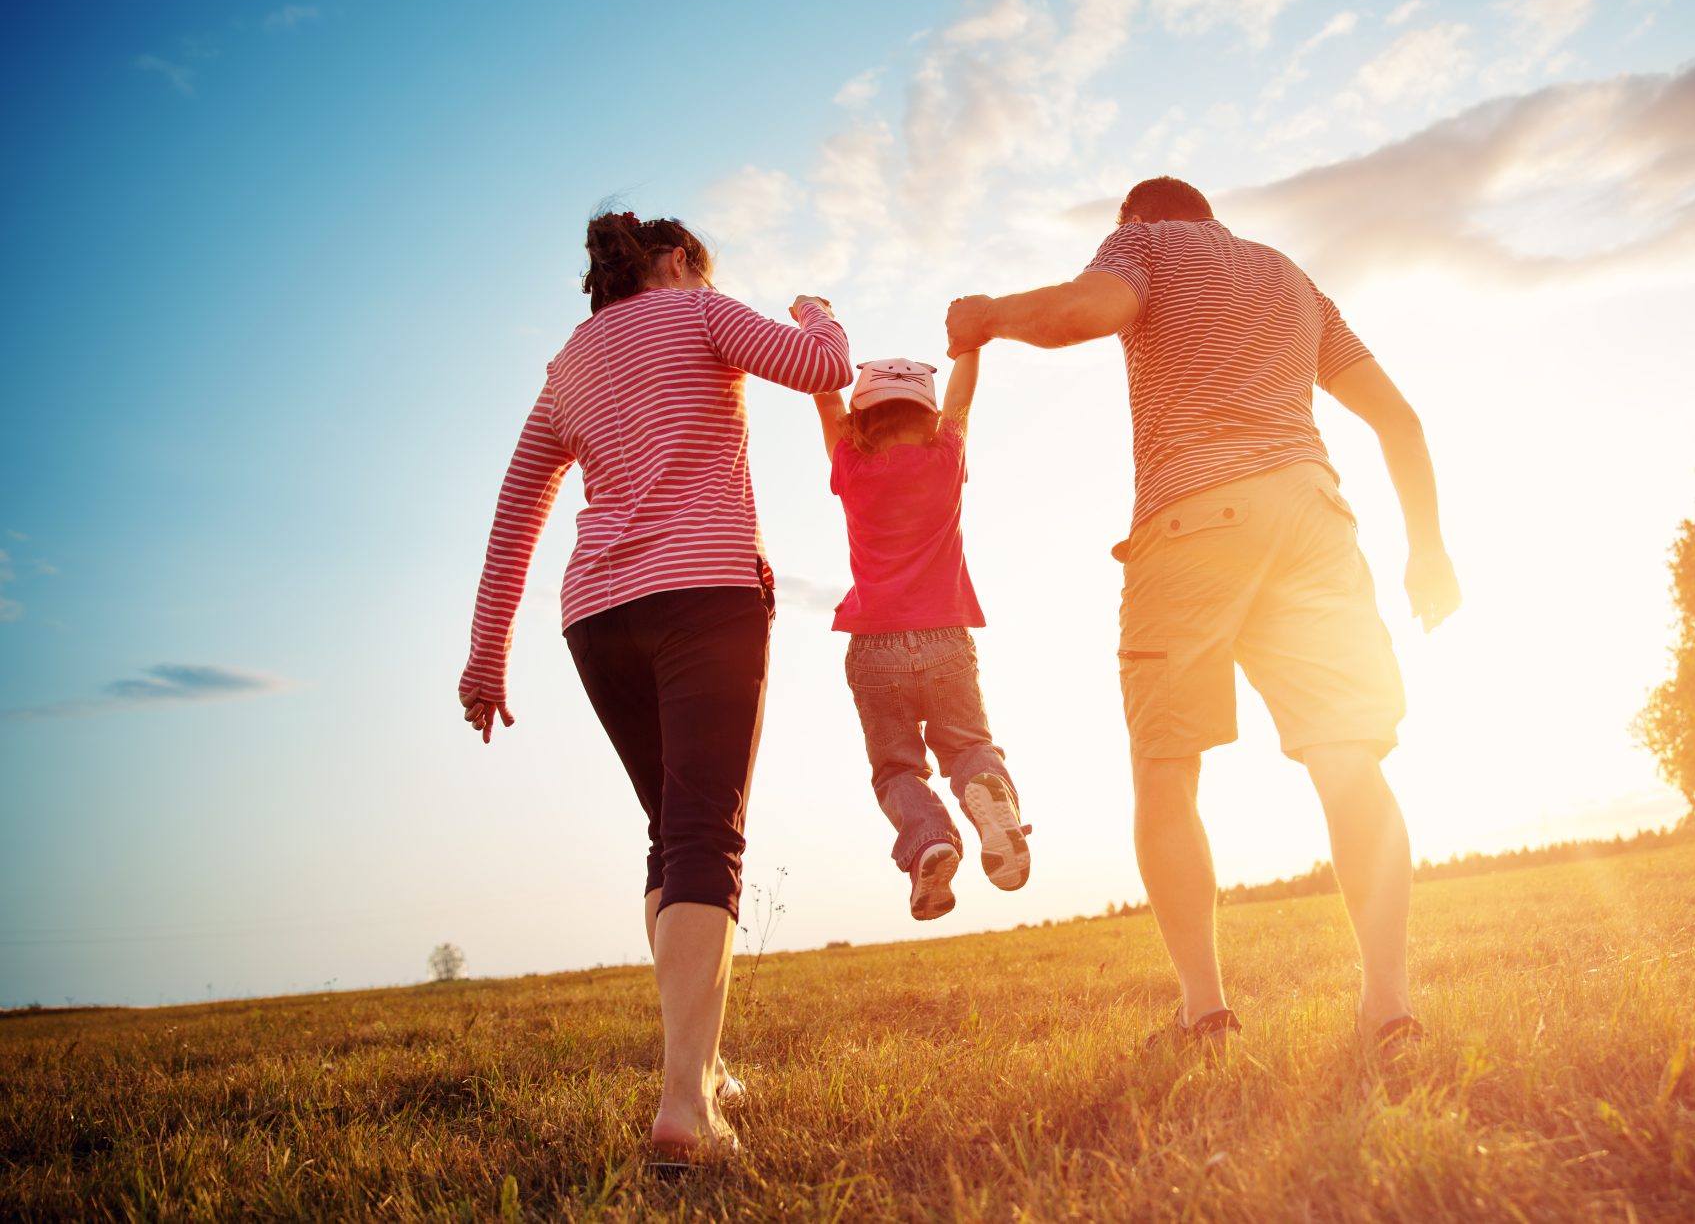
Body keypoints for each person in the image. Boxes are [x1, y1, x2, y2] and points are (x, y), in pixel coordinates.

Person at [945, 176, 1460, 1058]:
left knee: (1167, 768)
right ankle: (1390, 1009)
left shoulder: (1143, 246)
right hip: (1313, 519)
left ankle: (1206, 1014)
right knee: (1347, 758)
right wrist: (1428, 549)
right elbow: (1399, 421)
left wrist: (987, 315)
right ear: (1211, 215)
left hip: (1193, 521)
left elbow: (1083, 310)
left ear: (1136, 219)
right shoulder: (1292, 278)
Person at [457, 211, 852, 1161]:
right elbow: (822, 368)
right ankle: (685, 1107)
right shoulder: (699, 310)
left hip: (597, 618)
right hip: (704, 593)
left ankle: (699, 1068)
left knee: (670, 834)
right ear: (676, 262)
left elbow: (517, 510)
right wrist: (819, 311)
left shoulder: (568, 364)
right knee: (705, 831)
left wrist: (485, 653)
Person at [811, 349, 1031, 922]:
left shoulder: (852, 470)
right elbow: (962, 401)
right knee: (968, 746)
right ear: (928, 418)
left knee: (897, 769)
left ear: (860, 423)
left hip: (874, 647)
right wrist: (970, 346)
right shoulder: (945, 458)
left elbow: (825, 397)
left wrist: (814, 322)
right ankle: (988, 789)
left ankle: (929, 840)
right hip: (945, 639)